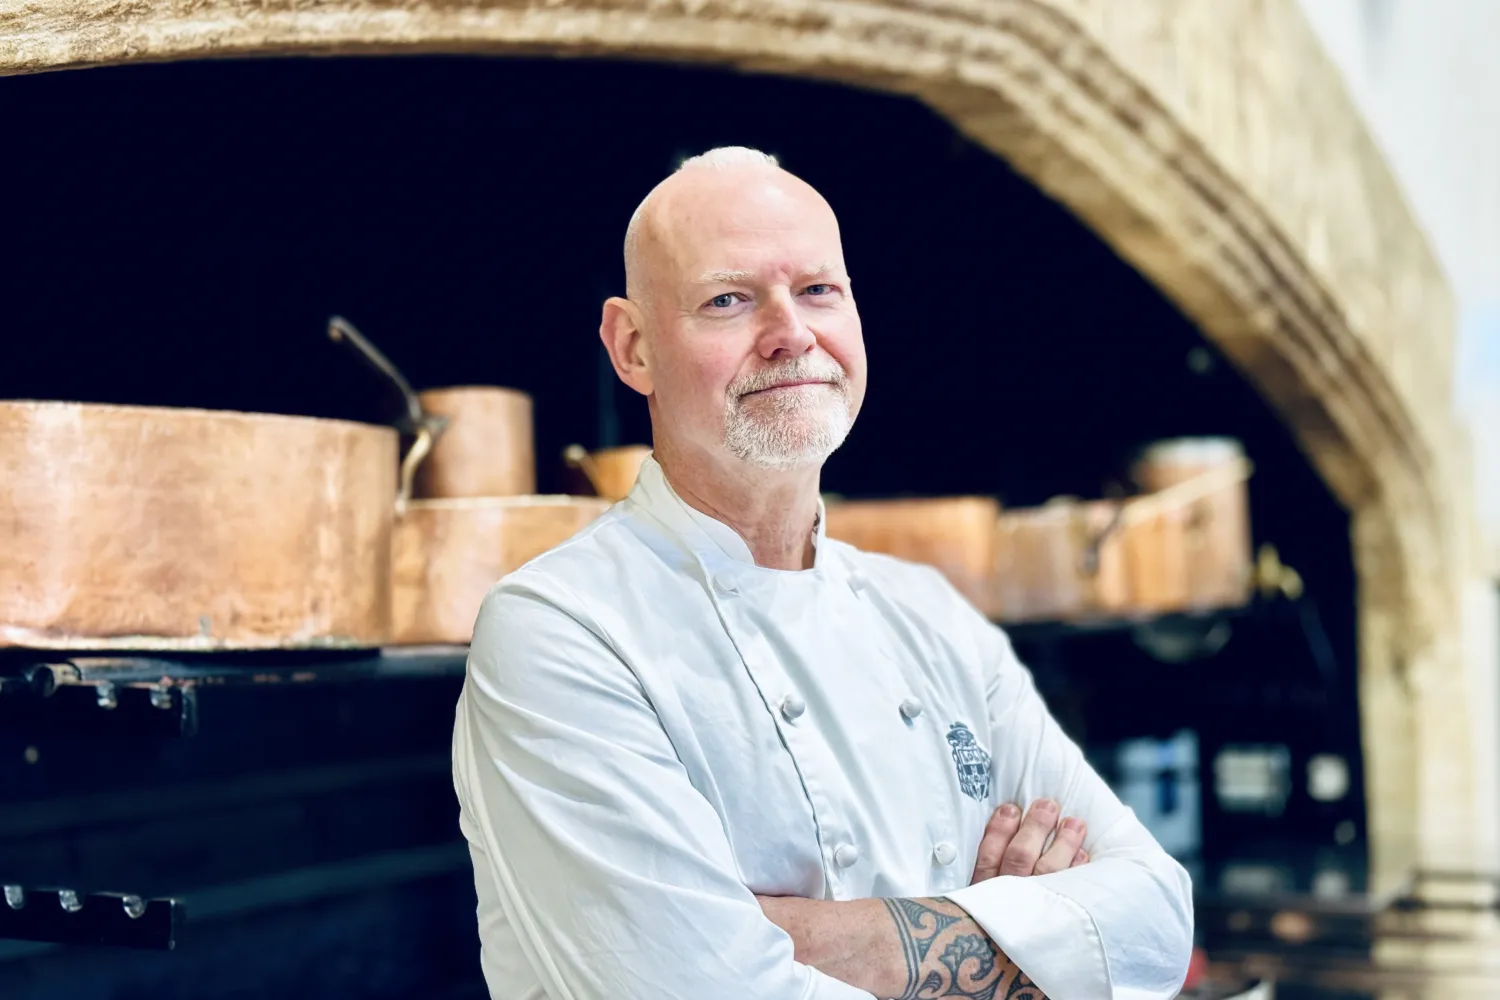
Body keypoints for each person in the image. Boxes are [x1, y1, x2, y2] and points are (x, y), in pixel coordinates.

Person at [451, 146, 1194, 999]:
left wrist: (822, 938)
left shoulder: (928, 614)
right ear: (634, 346)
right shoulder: (561, 630)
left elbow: (1157, 925)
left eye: (818, 291)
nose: (791, 334)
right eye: (729, 300)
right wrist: (1025, 943)